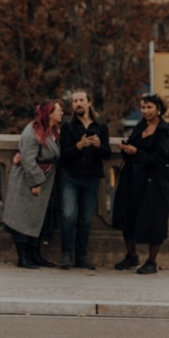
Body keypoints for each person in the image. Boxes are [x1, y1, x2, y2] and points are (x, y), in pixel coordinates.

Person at [112, 93, 169, 275]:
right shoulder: (140, 126)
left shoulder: (165, 130)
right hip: (133, 178)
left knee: (153, 221)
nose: (145, 111)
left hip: (154, 183)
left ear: (158, 109)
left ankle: (151, 261)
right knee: (127, 215)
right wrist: (126, 149)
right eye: (143, 107)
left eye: (149, 107)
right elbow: (134, 151)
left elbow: (161, 158)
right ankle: (131, 255)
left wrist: (136, 152)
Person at [2, 100, 64, 269]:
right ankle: (23, 257)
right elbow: (28, 159)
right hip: (28, 180)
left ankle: (35, 255)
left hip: (46, 178)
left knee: (37, 218)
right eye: (59, 110)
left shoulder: (53, 131)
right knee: (23, 217)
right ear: (49, 113)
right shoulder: (32, 131)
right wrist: (35, 182)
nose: (62, 113)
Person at [57, 90, 111, 270]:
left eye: (81, 100)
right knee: (68, 215)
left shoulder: (101, 126)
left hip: (91, 177)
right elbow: (63, 155)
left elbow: (107, 154)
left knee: (85, 219)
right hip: (70, 176)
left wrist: (98, 145)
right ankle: (66, 254)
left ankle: (81, 256)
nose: (78, 104)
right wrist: (80, 145)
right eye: (75, 101)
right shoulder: (68, 127)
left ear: (89, 103)